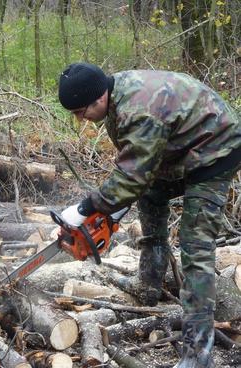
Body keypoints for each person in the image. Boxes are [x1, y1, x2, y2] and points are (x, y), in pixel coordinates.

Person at [58, 62, 241, 368]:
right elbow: (138, 169)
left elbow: (132, 177)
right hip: (182, 149)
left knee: (195, 244)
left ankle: (199, 353)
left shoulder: (139, 110)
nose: (80, 119)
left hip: (216, 152)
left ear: (98, 98)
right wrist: (112, 209)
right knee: (151, 195)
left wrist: (84, 208)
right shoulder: (117, 99)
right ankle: (150, 283)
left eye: (80, 111)